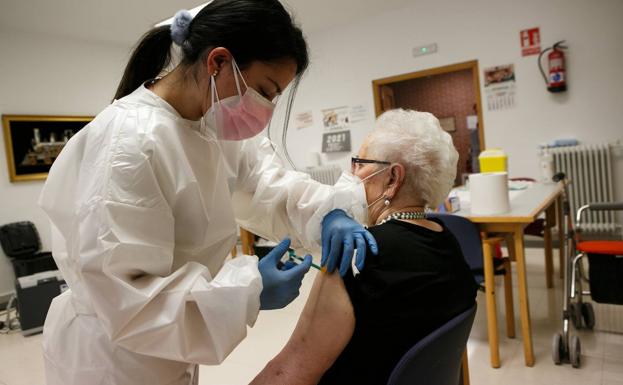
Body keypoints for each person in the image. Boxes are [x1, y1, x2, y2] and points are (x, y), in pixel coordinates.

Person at [38, 1, 377, 384]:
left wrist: (326, 212)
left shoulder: (210, 125)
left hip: (166, 351)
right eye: (265, 91)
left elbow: (265, 185)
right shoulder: (129, 144)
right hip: (110, 361)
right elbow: (127, 301)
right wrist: (248, 292)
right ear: (217, 62)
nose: (266, 108)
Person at [251, 109, 479, 385]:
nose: (351, 173)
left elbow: (289, 371)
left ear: (393, 179)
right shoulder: (449, 239)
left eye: (359, 163)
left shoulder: (357, 254)